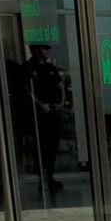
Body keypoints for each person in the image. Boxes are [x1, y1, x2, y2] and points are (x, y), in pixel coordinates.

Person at [21, 43, 67, 196]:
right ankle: (43, 178)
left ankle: (50, 176)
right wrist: (41, 105)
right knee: (41, 147)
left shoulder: (50, 68)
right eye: (44, 49)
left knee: (52, 147)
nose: (47, 51)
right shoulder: (28, 67)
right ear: (36, 51)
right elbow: (26, 89)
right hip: (39, 114)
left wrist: (60, 104)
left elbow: (60, 86)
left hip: (54, 112)